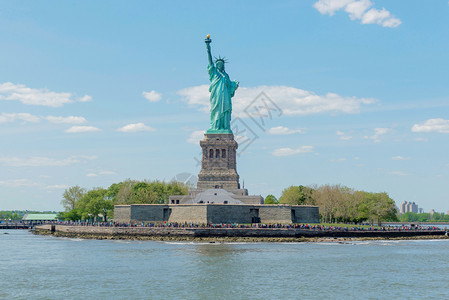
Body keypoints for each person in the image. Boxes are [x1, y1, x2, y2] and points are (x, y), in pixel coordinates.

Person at [205, 37, 239, 132]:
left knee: (225, 111)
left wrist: (234, 86)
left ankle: (224, 127)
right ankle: (215, 127)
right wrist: (208, 47)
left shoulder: (226, 76)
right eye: (218, 64)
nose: (219, 65)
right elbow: (210, 61)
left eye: (221, 64)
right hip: (216, 95)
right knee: (215, 110)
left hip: (225, 96)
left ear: (223, 66)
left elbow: (230, 88)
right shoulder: (214, 72)